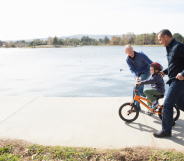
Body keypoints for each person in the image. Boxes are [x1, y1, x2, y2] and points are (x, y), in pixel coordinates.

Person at [153, 29, 184, 138]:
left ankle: (166, 131)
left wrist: (183, 73)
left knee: (167, 105)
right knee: (180, 104)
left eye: (160, 39)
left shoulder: (178, 47)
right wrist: (165, 72)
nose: (160, 42)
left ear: (166, 36)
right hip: (173, 79)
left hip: (179, 80)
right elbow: (175, 64)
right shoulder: (169, 48)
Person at [125, 45, 153, 110]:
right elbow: (132, 69)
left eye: (132, 51)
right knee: (140, 91)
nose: (132, 54)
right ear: (126, 53)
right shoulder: (128, 60)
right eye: (129, 53)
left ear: (132, 48)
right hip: (139, 75)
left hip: (146, 72)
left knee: (136, 87)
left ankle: (136, 107)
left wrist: (157, 70)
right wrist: (136, 77)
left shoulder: (141, 55)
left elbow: (150, 63)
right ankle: (153, 99)